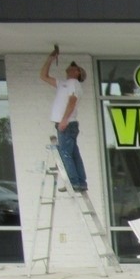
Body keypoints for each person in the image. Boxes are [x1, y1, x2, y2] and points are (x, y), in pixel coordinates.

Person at [40, 47, 87, 192]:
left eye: (74, 67)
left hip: (67, 124)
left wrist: (64, 120)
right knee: (73, 154)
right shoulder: (63, 84)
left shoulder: (74, 83)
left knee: (66, 154)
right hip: (67, 123)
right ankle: (80, 182)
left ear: (77, 72)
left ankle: (74, 183)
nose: (70, 67)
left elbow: (72, 101)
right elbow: (43, 76)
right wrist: (50, 59)